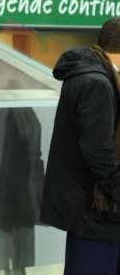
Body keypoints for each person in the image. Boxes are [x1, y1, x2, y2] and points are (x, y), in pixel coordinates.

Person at [41, 17, 120, 275]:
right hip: (95, 212)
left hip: (97, 210)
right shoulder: (96, 83)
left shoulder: (95, 75)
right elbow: (98, 152)